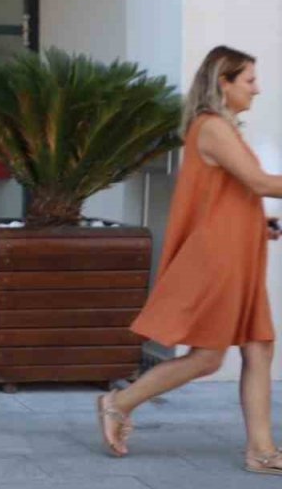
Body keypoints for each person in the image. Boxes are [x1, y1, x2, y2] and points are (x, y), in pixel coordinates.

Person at [99, 46, 282, 474]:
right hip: (219, 258)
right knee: (208, 356)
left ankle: (261, 450)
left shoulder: (223, 129)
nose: (258, 89)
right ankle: (118, 402)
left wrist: (261, 224)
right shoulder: (212, 126)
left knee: (259, 346)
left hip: (239, 253)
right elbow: (257, 181)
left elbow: (232, 196)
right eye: (250, 80)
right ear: (224, 81)